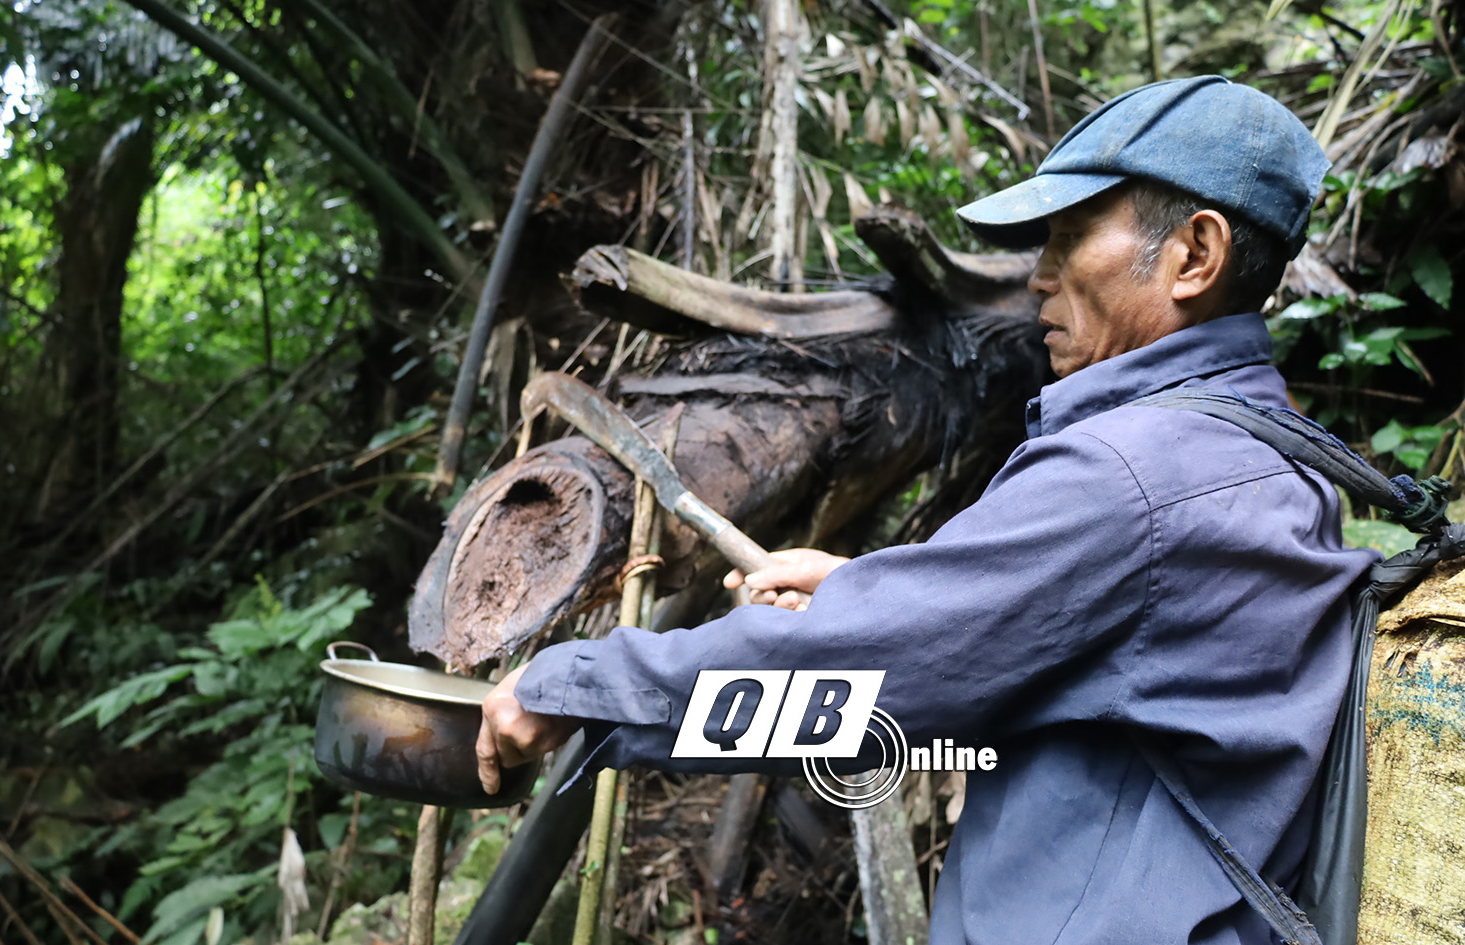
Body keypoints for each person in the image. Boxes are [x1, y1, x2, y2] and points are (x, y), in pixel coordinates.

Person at [475, 75, 1377, 944]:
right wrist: (870, 586)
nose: (1040, 277)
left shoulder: (1131, 476)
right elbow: (1103, 647)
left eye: (1068, 238)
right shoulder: (1271, 450)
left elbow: (865, 682)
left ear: (1196, 255)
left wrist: (574, 693)